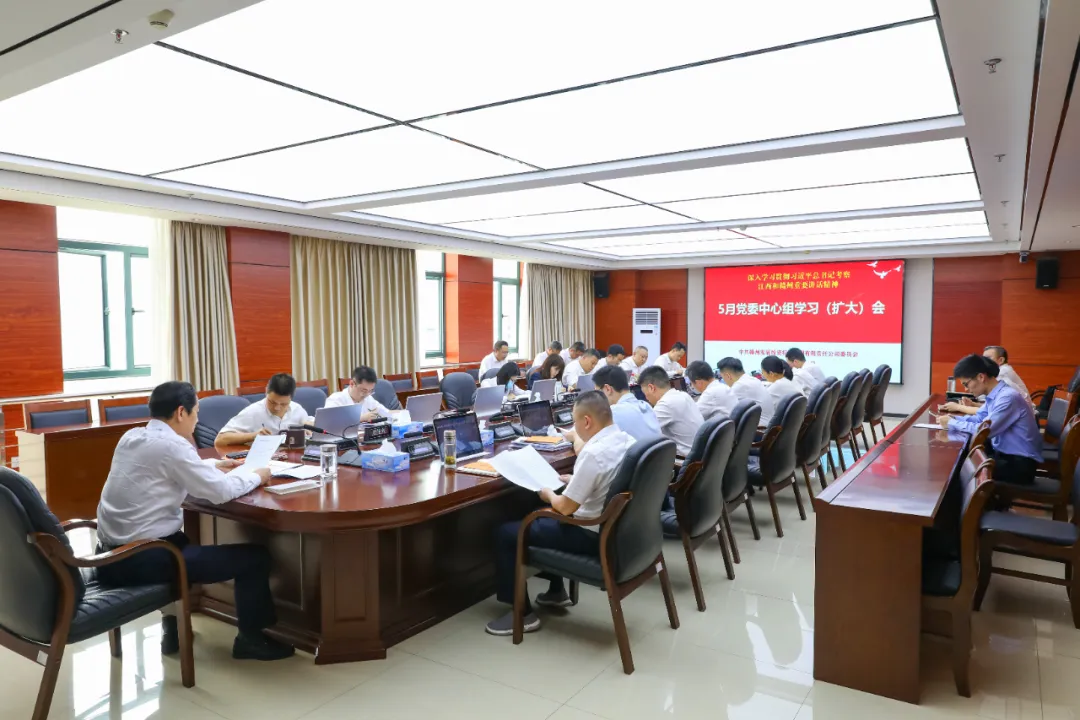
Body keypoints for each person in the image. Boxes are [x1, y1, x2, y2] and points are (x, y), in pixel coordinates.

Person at [96, 381, 294, 661]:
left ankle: (172, 629)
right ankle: (251, 640)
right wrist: (257, 476)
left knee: (179, 538)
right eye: (196, 413)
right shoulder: (173, 446)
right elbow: (220, 492)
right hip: (142, 559)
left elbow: (169, 469)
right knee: (255, 558)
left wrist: (215, 465)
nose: (197, 420)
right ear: (181, 412)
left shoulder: (131, 437)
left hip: (108, 556)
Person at [485, 391, 637, 635]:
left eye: (575, 422)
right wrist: (575, 480)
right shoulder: (627, 440)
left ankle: (521, 613)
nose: (574, 428)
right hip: (617, 531)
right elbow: (605, 480)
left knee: (505, 533)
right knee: (539, 517)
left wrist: (548, 494)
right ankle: (556, 591)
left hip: (590, 535)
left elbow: (565, 508)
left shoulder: (593, 453)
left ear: (587, 421)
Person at [937, 354, 1042, 486]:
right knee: (962, 461)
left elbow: (984, 431)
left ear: (981, 377)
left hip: (1019, 465)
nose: (965, 389)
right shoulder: (996, 394)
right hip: (1004, 456)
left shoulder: (1007, 397)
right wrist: (955, 418)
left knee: (959, 470)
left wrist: (952, 423)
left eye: (966, 384)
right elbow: (980, 418)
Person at [215, 373, 308, 447]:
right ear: (266, 391)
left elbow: (310, 425)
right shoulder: (252, 412)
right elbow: (220, 440)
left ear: (291, 398)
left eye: (283, 404)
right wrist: (253, 436)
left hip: (290, 460)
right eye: (272, 402)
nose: (277, 408)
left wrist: (310, 428)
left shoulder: (297, 409)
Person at [638, 365, 703, 456]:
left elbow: (643, 434)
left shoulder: (666, 404)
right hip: (700, 453)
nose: (646, 399)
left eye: (645, 394)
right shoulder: (683, 395)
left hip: (685, 460)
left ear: (651, 388)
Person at [589, 365, 661, 441]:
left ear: (607, 389)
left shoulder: (612, 412)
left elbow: (590, 442)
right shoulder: (646, 406)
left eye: (598, 392)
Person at [717, 357, 773, 427]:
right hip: (766, 426)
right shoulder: (752, 379)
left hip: (759, 429)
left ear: (728, 376)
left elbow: (725, 412)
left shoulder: (740, 385)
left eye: (722, 377)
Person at [323, 365, 392, 421]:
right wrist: (361, 418)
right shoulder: (336, 399)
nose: (367, 394)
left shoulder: (368, 398)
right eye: (364, 390)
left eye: (371, 390)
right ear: (352, 384)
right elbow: (328, 422)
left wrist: (399, 414)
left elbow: (387, 413)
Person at [760, 356, 801, 424]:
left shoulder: (777, 386)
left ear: (771, 374)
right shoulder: (789, 382)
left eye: (763, 372)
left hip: (780, 427)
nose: (763, 375)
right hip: (794, 424)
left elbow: (762, 407)